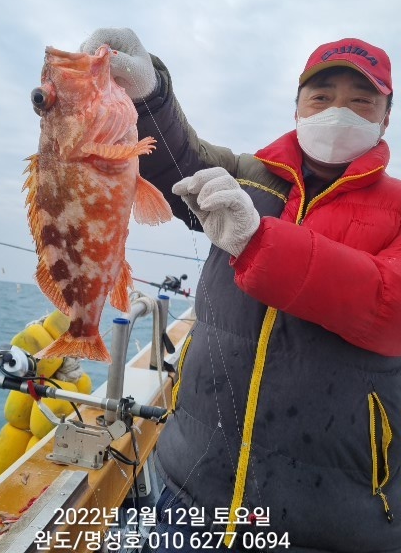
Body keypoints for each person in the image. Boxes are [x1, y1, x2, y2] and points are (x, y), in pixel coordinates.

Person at [81, 29, 401, 553]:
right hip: (189, 493)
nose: (338, 112)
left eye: (361, 101)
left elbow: (390, 307)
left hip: (332, 526)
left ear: (385, 118)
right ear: (297, 108)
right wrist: (147, 93)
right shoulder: (247, 176)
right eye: (321, 97)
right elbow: (177, 156)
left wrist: (260, 242)